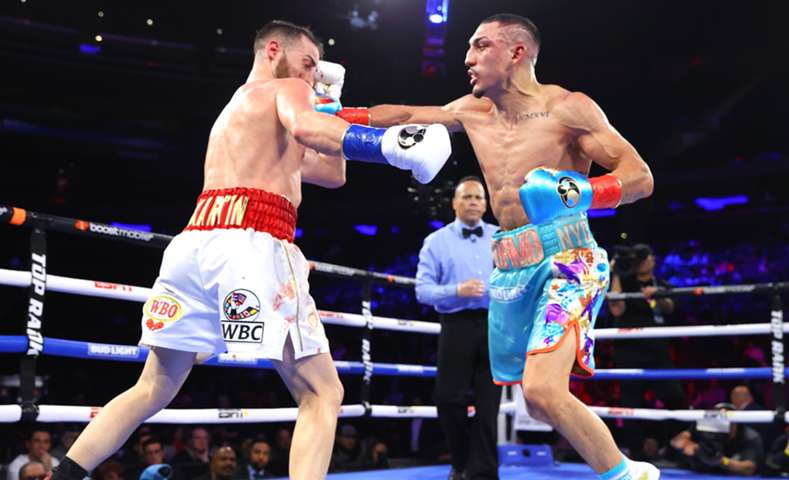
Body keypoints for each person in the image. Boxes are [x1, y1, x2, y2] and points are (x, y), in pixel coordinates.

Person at [50, 19, 452, 480]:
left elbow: (331, 173)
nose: (310, 77)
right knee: (323, 393)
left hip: (194, 246)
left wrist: (333, 105)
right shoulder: (285, 91)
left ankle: (62, 475)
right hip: (253, 244)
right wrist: (384, 143)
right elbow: (306, 126)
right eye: (307, 64)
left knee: (154, 387)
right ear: (273, 50)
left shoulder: (237, 110)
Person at [339, 12, 657, 480]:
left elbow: (640, 177)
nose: (467, 59)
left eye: (480, 46)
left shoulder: (568, 108)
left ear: (516, 52)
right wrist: (336, 117)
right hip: (508, 264)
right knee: (535, 396)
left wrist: (582, 192)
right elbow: (406, 116)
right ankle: (629, 472)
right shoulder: (471, 111)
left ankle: (628, 477)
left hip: (567, 258)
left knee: (543, 391)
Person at [415, 176, 501, 480]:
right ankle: (463, 461)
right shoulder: (436, 242)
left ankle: (485, 473)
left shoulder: (501, 237)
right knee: (448, 398)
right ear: (454, 203)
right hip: (456, 325)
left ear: (486, 204)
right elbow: (422, 291)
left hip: (495, 325)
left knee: (488, 405)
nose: (474, 202)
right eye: (467, 197)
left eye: (479, 197)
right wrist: (456, 290)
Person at [607, 243, 684, 455]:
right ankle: (636, 453)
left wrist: (657, 295)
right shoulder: (624, 282)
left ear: (652, 259)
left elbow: (670, 307)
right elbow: (616, 309)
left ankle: (673, 446)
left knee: (674, 396)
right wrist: (615, 274)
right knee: (631, 403)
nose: (640, 262)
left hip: (657, 350)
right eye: (636, 258)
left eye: (643, 257)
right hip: (629, 351)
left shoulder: (662, 284)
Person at [668, 403, 763, 476]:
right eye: (718, 419)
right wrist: (692, 447)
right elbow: (676, 441)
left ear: (735, 422)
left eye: (725, 420)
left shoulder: (749, 436)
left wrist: (721, 461)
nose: (721, 423)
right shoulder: (704, 428)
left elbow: (749, 468)